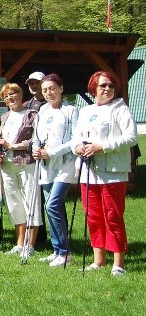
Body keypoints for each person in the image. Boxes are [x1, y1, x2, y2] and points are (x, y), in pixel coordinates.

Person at [72, 71, 136, 276]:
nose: (107, 89)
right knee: (93, 216)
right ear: (93, 89)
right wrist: (79, 147)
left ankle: (118, 263)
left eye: (110, 85)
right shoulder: (85, 111)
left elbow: (131, 137)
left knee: (112, 216)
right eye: (102, 86)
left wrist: (102, 147)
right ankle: (98, 260)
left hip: (113, 172)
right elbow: (76, 138)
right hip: (88, 171)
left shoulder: (120, 108)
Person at [33, 73, 78, 266]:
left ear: (61, 88)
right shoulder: (42, 110)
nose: (49, 93)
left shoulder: (71, 110)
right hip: (45, 166)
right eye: (45, 90)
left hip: (64, 163)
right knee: (52, 207)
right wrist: (36, 148)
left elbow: (75, 140)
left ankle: (65, 252)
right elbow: (37, 135)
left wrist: (51, 152)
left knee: (52, 205)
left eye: (52, 88)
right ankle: (57, 249)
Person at [0, 83, 40, 256]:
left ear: (20, 95)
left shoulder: (32, 115)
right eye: (6, 96)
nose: (10, 98)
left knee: (30, 202)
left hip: (26, 163)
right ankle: (19, 243)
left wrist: (13, 146)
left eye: (13, 94)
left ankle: (30, 245)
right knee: (14, 204)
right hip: (6, 164)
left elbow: (35, 140)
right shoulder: (4, 117)